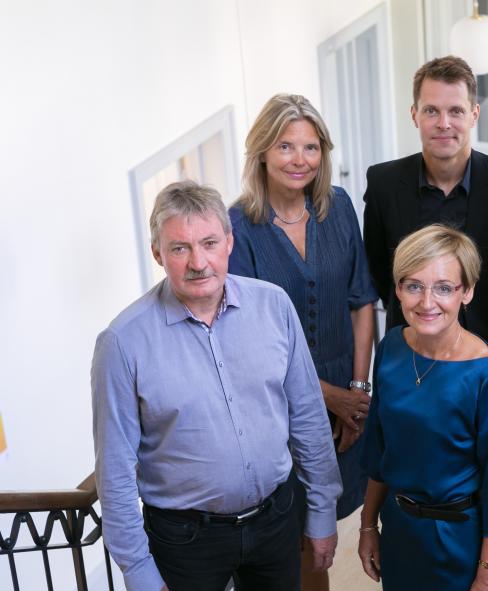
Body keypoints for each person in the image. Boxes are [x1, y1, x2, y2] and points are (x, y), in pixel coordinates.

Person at [91, 180, 341, 591]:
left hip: (276, 521)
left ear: (229, 241)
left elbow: (309, 419)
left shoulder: (274, 305)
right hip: (185, 542)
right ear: (158, 253)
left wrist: (321, 511)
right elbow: (115, 470)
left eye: (209, 243)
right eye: (179, 248)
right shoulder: (122, 343)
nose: (198, 262)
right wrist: (138, 571)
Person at [228, 94, 377, 590]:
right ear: (263, 153)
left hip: (345, 398)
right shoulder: (236, 229)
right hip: (276, 407)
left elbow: (361, 302)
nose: (299, 159)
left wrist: (356, 393)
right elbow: (247, 343)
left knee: (324, 534)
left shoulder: (338, 209)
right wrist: (329, 398)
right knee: (293, 536)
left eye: (310, 147)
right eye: (286, 146)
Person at [357, 225, 488, 591]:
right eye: (413, 286)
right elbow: (380, 452)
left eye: (443, 287)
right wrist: (367, 525)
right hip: (401, 532)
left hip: (462, 543)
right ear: (397, 290)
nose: (426, 302)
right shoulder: (391, 348)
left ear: (466, 292)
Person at [363, 55, 488, 364]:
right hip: (410, 357)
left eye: (456, 111)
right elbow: (382, 274)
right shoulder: (383, 184)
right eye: (431, 110)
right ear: (414, 114)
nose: (444, 123)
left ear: (474, 114)